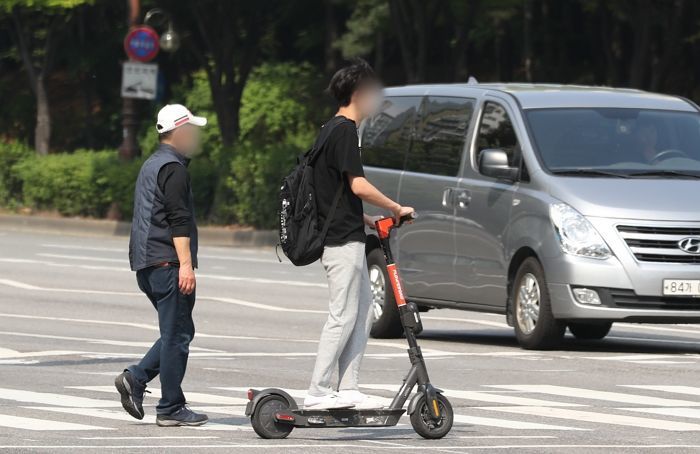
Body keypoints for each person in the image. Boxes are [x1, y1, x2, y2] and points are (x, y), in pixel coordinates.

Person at [305, 59, 414, 410]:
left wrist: (366, 218)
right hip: (340, 241)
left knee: (363, 310)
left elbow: (334, 190)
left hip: (347, 231)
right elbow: (357, 183)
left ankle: (348, 387)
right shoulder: (344, 131)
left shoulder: (331, 130)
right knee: (343, 313)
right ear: (357, 94)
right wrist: (395, 207)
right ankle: (318, 391)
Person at [114, 104, 208, 427]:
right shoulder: (175, 169)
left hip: (146, 263)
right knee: (177, 336)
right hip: (167, 262)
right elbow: (178, 220)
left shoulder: (152, 164)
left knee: (179, 330)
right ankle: (170, 406)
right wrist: (185, 265)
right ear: (180, 132)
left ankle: (136, 379)